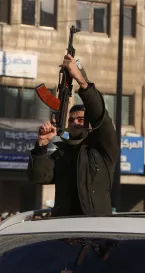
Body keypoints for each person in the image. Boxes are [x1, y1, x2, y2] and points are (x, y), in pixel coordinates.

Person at [27, 54, 118, 217]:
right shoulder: (61, 154)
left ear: (90, 124)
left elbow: (101, 118)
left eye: (81, 119)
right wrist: (41, 145)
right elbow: (39, 176)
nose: (75, 122)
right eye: (71, 119)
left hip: (95, 229)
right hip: (65, 229)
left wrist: (81, 81)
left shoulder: (102, 151)